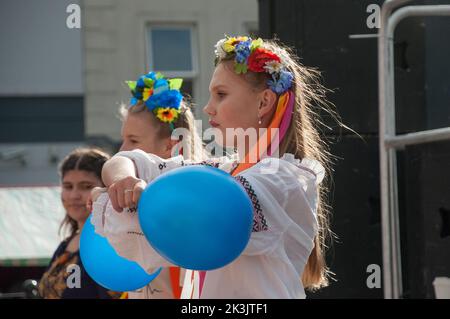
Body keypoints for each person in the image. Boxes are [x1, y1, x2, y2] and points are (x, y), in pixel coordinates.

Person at [91, 36, 336, 298]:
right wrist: (123, 180)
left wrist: (115, 201)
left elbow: (198, 215)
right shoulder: (223, 170)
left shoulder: (284, 180)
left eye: (221, 95)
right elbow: (128, 161)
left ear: (263, 102)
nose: (208, 108)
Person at [89, 71, 205, 299]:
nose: (123, 149)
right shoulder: (124, 202)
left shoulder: (194, 200)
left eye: (133, 140)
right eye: (123, 139)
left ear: (171, 145)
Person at [38, 148, 122, 299]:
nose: (74, 195)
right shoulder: (66, 244)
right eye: (68, 186)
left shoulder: (111, 245)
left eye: (86, 186)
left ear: (106, 189)